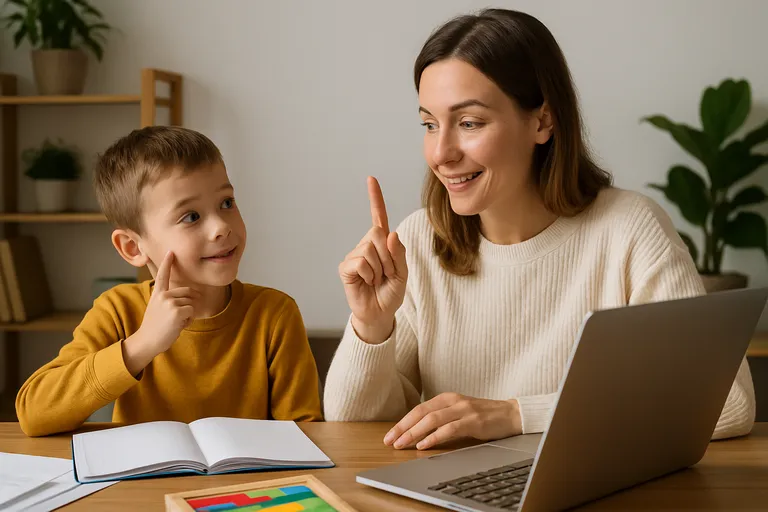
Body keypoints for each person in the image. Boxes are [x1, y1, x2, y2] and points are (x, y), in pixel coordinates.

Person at [323, 8, 754, 449]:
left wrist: (518, 414)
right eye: (430, 125)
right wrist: (371, 325)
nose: (441, 153)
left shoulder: (629, 231)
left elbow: (729, 401)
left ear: (543, 122)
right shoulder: (418, 242)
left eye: (469, 123)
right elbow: (354, 428)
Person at [16, 126, 323, 436]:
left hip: (247, 484)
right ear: (133, 247)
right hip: (144, 484)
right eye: (191, 217)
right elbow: (34, 413)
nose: (221, 227)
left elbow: (305, 433)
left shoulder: (275, 313)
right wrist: (142, 345)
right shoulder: (118, 310)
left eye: (226, 203)